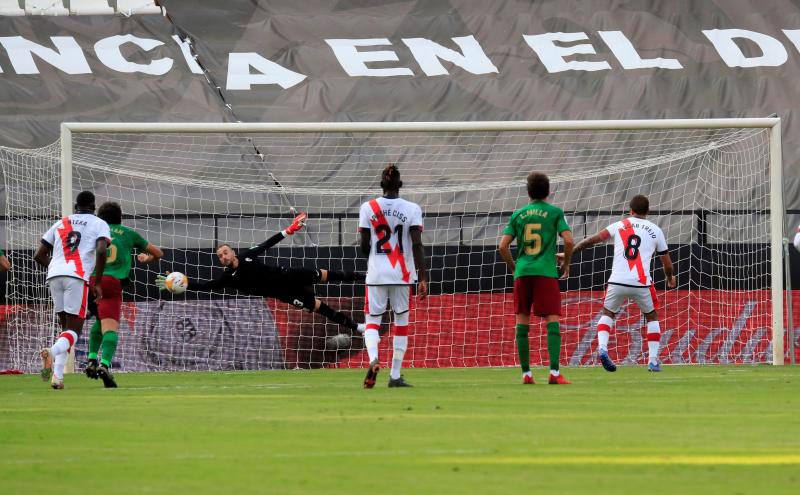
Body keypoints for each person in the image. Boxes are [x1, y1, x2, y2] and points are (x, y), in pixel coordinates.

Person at [156, 212, 366, 335]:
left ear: (233, 252)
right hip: (284, 293)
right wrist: (183, 284)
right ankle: (358, 327)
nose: (223, 256)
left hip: (288, 275)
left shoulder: (248, 255)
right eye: (220, 256)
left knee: (327, 275)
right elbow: (205, 287)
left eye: (225, 252)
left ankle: (364, 277)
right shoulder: (226, 278)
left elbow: (268, 243)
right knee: (321, 307)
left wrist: (289, 230)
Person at [569, 195, 676, 372]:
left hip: (617, 281)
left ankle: (602, 348)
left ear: (630, 210)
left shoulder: (620, 225)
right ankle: (653, 360)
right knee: (651, 317)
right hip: (641, 283)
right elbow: (667, 262)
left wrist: (570, 254)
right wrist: (670, 277)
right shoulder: (655, 230)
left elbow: (591, 240)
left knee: (608, 313)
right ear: (647, 212)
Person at [499, 172, 574, 385]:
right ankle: (554, 372)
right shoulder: (555, 213)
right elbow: (568, 241)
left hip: (523, 272)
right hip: (545, 272)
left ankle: (526, 374)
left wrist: (514, 268)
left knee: (522, 320)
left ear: (528, 192)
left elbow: (502, 246)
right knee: (552, 320)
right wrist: (566, 263)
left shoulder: (518, 214)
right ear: (549, 191)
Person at [358, 164, 428, 389]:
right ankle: (395, 375)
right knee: (402, 323)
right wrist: (423, 277)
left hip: (377, 275)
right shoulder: (412, 208)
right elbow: (417, 245)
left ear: (381, 185)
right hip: (402, 275)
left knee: (372, 322)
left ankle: (373, 360)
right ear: (400, 185)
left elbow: (364, 246)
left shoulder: (368, 208)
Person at [34, 191, 110, 390]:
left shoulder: (62, 222)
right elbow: (102, 250)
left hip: (54, 275)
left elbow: (39, 255)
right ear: (93, 206)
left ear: (76, 206)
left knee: (65, 331)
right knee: (74, 331)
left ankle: (57, 377)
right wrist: (98, 282)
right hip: (76, 277)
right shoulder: (98, 223)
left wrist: (56, 267)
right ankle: (50, 352)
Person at [84, 201, 164, 388]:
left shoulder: (94, 232)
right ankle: (104, 365)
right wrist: (146, 259)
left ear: (100, 218)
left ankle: (91, 359)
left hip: (90, 281)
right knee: (110, 327)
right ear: (120, 217)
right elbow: (158, 253)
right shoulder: (128, 233)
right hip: (111, 283)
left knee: (99, 320)